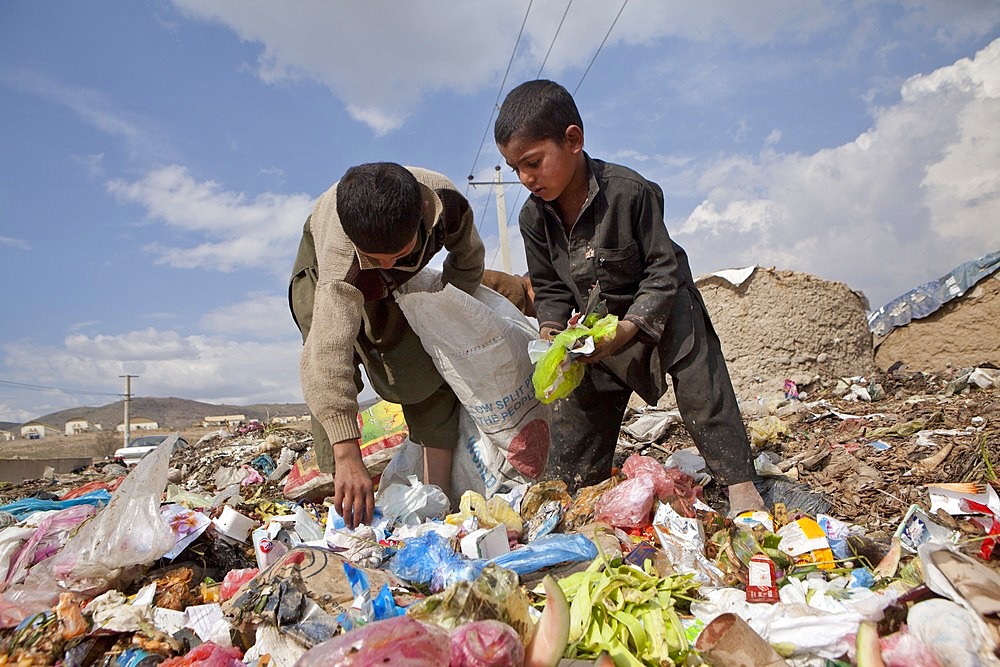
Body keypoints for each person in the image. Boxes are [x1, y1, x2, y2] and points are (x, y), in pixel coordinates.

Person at [493, 80, 766, 515]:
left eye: (533, 163)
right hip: (597, 330)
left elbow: (663, 270)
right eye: (514, 168)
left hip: (662, 310)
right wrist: (554, 332)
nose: (526, 179)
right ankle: (578, 495)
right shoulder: (533, 219)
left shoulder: (630, 191)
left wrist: (628, 329)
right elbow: (548, 288)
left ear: (573, 140)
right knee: (571, 463)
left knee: (702, 385)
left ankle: (740, 484)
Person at [288, 162, 485, 528]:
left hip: (390, 276)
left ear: (423, 214)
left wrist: (447, 316)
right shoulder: (340, 262)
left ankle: (436, 499)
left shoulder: (447, 204)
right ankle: (346, 500)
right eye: (376, 260)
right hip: (324, 275)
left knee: (423, 364)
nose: (388, 264)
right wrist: (348, 452)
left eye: (399, 254)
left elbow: (469, 258)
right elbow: (329, 356)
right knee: (328, 367)